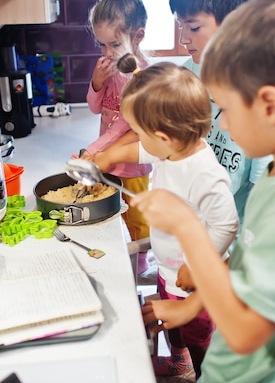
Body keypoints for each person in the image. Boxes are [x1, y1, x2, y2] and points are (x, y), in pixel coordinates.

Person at [138, 0, 275, 382]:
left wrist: (188, 227)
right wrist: (192, 308)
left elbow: (247, 334)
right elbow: (248, 270)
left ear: (270, 105)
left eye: (227, 110)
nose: (222, 127)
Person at [93, 54, 239, 378]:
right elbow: (139, 151)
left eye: (139, 132)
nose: (138, 141)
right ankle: (179, 355)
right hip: (169, 267)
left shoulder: (204, 173)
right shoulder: (171, 148)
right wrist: (107, 156)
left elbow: (227, 224)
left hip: (195, 281)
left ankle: (201, 369)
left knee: (199, 337)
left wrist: (198, 266)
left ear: (162, 137)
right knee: (174, 325)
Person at [169, 0, 272, 226]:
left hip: (233, 223)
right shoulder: (186, 74)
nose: (183, 38)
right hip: (192, 206)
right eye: (180, 25)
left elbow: (263, 177)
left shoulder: (258, 83)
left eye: (192, 27)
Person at [80, 0, 152, 273]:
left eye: (114, 44)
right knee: (112, 210)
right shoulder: (108, 68)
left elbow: (126, 122)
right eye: (101, 45)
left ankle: (140, 263)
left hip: (131, 159)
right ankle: (120, 257)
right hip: (107, 158)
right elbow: (96, 109)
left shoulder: (140, 74)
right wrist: (96, 82)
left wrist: (96, 149)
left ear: (137, 37)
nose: (107, 53)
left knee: (137, 215)